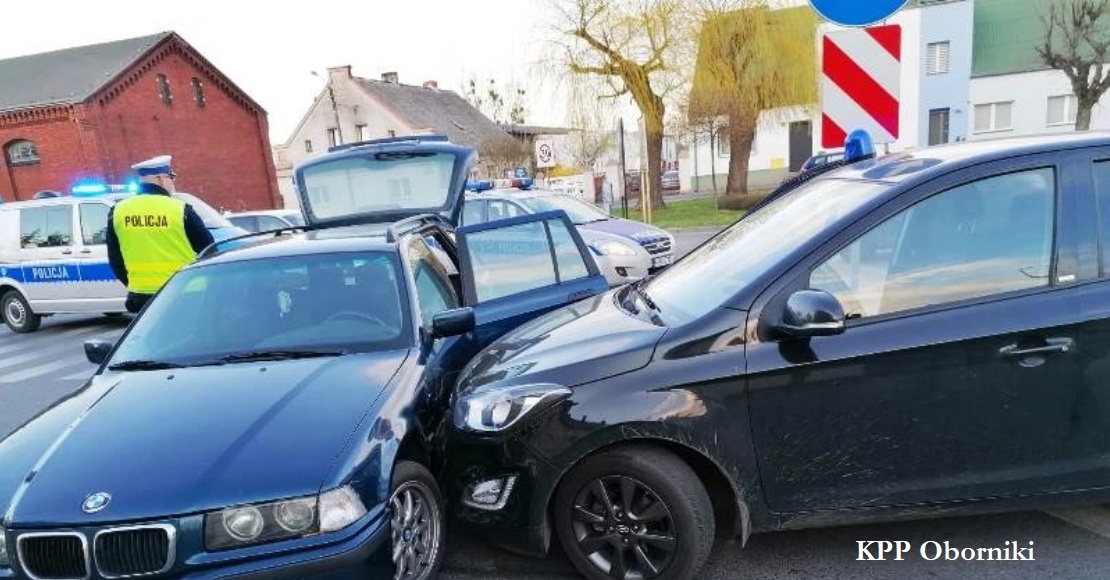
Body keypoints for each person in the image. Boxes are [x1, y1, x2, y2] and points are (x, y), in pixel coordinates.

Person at [106, 155, 214, 313]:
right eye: (171, 177)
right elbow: (209, 250)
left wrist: (136, 285)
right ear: (161, 179)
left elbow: (115, 260)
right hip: (185, 292)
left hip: (141, 296)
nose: (173, 183)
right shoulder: (180, 209)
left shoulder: (118, 211)